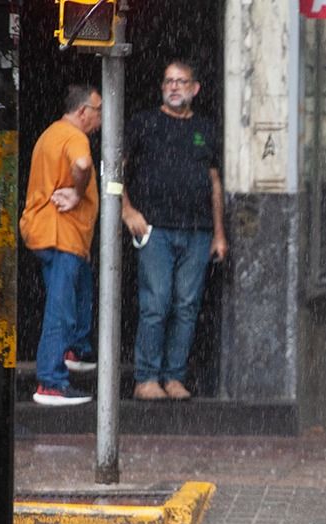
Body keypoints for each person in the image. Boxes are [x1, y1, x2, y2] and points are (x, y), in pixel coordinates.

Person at [122, 60, 226, 401]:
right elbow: (116, 168)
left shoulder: (205, 129)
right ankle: (146, 378)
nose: (174, 87)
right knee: (156, 303)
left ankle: (174, 377)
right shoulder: (144, 123)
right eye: (169, 81)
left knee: (186, 306)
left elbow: (214, 181)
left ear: (195, 88)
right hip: (155, 230)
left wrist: (219, 233)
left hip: (198, 231)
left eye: (181, 81)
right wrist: (127, 210)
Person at [20, 84, 103, 406]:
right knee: (61, 310)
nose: (101, 118)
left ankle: (75, 350)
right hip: (60, 234)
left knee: (77, 294)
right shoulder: (75, 136)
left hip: (53, 234)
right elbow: (81, 164)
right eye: (98, 111)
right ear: (82, 112)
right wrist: (78, 193)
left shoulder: (50, 134)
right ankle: (51, 382)